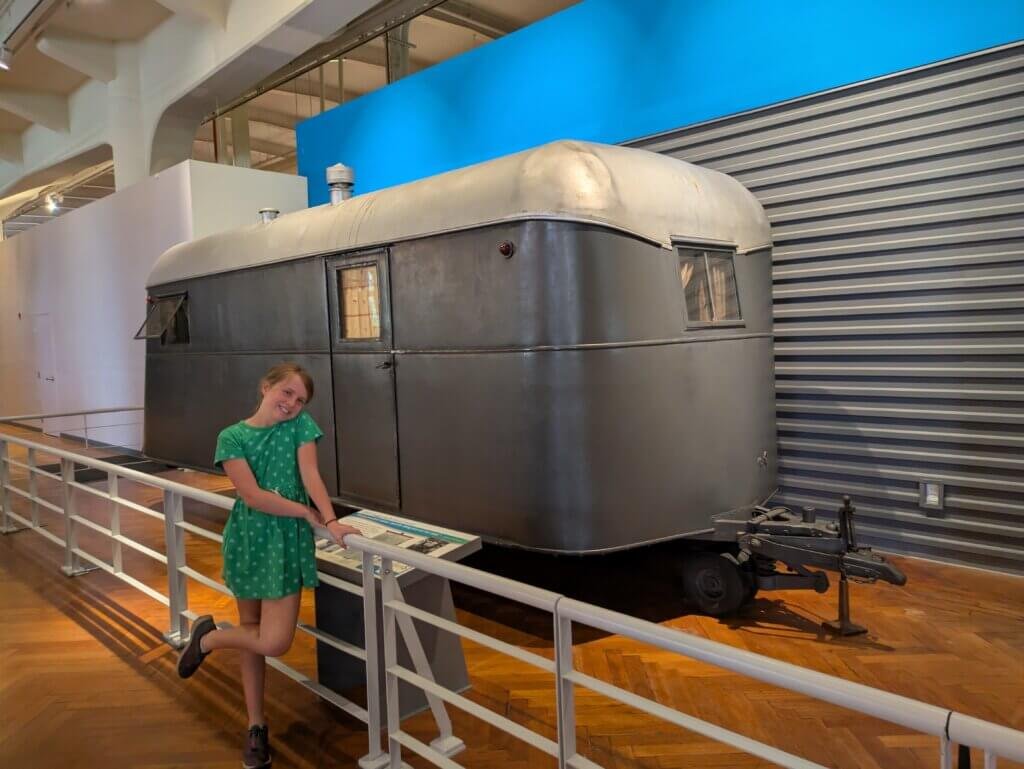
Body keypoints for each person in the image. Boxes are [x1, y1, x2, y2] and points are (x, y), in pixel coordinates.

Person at [176, 362, 360, 769]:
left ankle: (206, 640)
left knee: (272, 640)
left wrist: (329, 520)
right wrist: (304, 512)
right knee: (253, 633)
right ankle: (256, 726)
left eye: (300, 399)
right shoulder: (232, 438)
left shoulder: (300, 426)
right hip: (249, 539)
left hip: (286, 544)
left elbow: (311, 474)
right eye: (287, 393)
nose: (292, 403)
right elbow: (254, 496)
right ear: (266, 387)